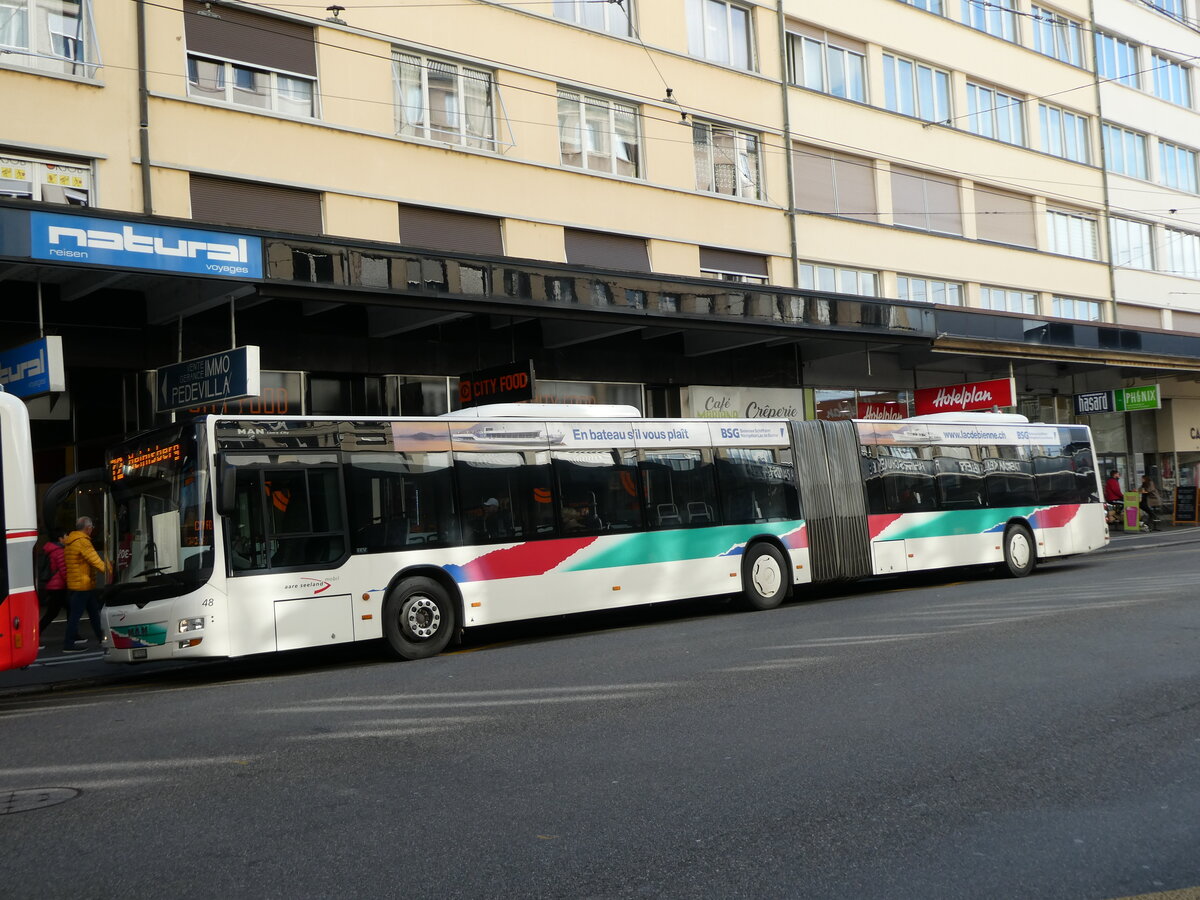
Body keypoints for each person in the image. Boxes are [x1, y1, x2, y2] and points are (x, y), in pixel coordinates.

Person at [62, 516, 111, 652]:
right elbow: (94, 560)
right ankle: (68, 644)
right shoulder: (82, 542)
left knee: (94, 613)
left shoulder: (70, 541)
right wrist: (110, 571)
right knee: (76, 617)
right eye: (92, 527)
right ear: (88, 528)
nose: (92, 530)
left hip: (77, 584)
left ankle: (102, 638)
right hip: (82, 585)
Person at [37, 528, 69, 650]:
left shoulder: (50, 549)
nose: (67, 537)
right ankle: (35, 636)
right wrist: (70, 583)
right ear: (60, 539)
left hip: (52, 585)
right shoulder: (59, 551)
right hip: (58, 586)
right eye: (66, 535)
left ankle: (73, 634)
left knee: (69, 608)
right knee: (52, 613)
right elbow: (64, 570)